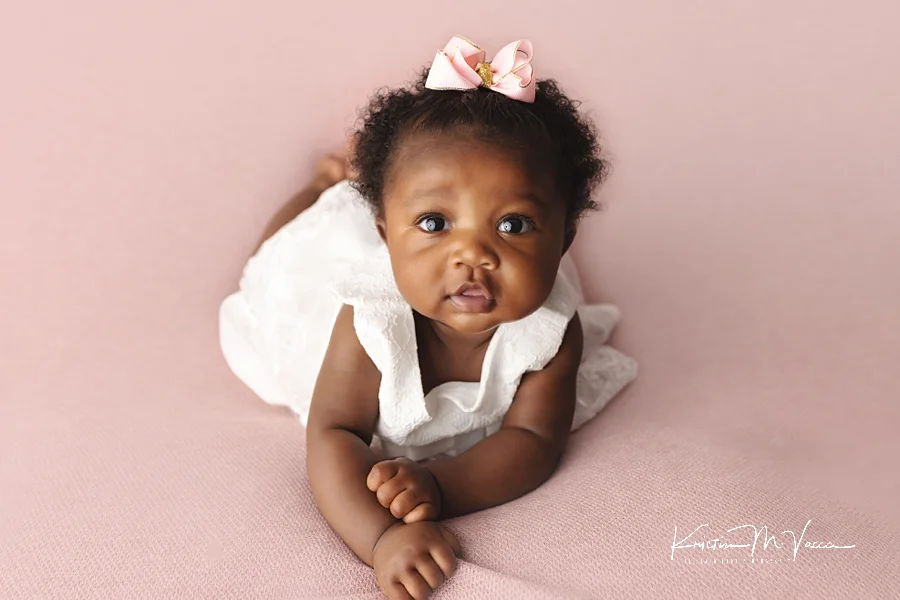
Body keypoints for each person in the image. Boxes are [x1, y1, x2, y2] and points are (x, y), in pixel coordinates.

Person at [219, 36, 638, 600]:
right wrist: (381, 538)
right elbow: (333, 432)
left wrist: (441, 485)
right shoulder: (370, 319)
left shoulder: (548, 332)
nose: (473, 255)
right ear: (387, 236)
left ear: (565, 239)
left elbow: (534, 438)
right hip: (319, 284)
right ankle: (323, 185)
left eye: (512, 225)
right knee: (291, 251)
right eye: (436, 223)